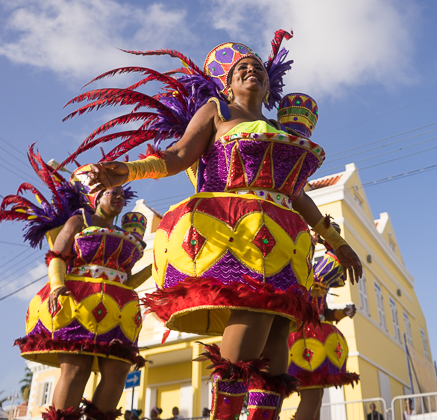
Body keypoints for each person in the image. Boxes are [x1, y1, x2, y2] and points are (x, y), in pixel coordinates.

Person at [62, 31, 363, 420]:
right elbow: (177, 155)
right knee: (252, 322)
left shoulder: (283, 130)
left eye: (257, 68)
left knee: (276, 351)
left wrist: (337, 242)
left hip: (287, 242)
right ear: (229, 81)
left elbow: (299, 194)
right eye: (242, 68)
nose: (251, 70)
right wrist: (125, 171)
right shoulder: (216, 110)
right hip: (238, 234)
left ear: (269, 84)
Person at [9, 151, 150, 420]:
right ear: (96, 197)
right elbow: (57, 255)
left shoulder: (127, 234)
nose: (120, 197)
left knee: (119, 371)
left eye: (122, 193)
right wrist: (57, 284)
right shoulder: (80, 221)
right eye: (113, 192)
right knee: (77, 369)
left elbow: (129, 278)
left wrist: (157, 269)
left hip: (120, 308)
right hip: (80, 301)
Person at [287, 224, 359, 420]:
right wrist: (317, 237)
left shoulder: (318, 274)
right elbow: (335, 257)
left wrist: (342, 312)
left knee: (316, 395)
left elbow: (323, 312)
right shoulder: (308, 270)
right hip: (303, 335)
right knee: (312, 395)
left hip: (314, 333)